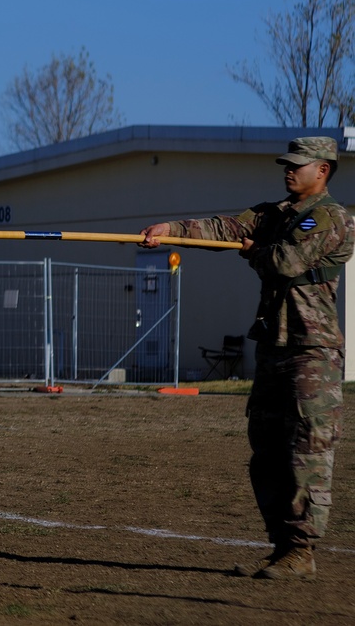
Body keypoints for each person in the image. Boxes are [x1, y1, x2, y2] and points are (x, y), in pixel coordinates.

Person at [139, 136, 353, 580]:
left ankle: (301, 549)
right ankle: (281, 547)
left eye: (298, 165)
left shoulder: (330, 217)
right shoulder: (273, 214)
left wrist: (254, 250)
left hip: (312, 352)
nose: (288, 170)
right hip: (274, 348)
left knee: (308, 453)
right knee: (267, 451)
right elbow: (224, 229)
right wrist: (170, 230)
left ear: (324, 170)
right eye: (286, 164)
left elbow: (286, 261)